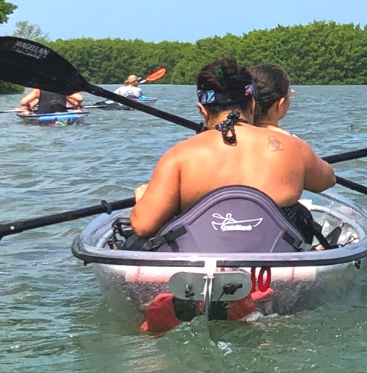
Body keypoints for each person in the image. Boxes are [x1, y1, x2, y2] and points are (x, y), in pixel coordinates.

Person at [129, 57, 335, 244]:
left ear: (202, 110)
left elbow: (143, 226)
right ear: (252, 104)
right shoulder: (292, 148)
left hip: (202, 258)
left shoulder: (178, 156)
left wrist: (144, 198)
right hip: (276, 256)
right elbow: (327, 180)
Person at [19, 88, 84, 115]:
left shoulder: (37, 90)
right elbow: (80, 98)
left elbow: (23, 102)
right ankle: (76, 108)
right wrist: (76, 104)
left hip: (43, 114)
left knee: (26, 111)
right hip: (61, 113)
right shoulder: (63, 88)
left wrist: (28, 106)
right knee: (70, 99)